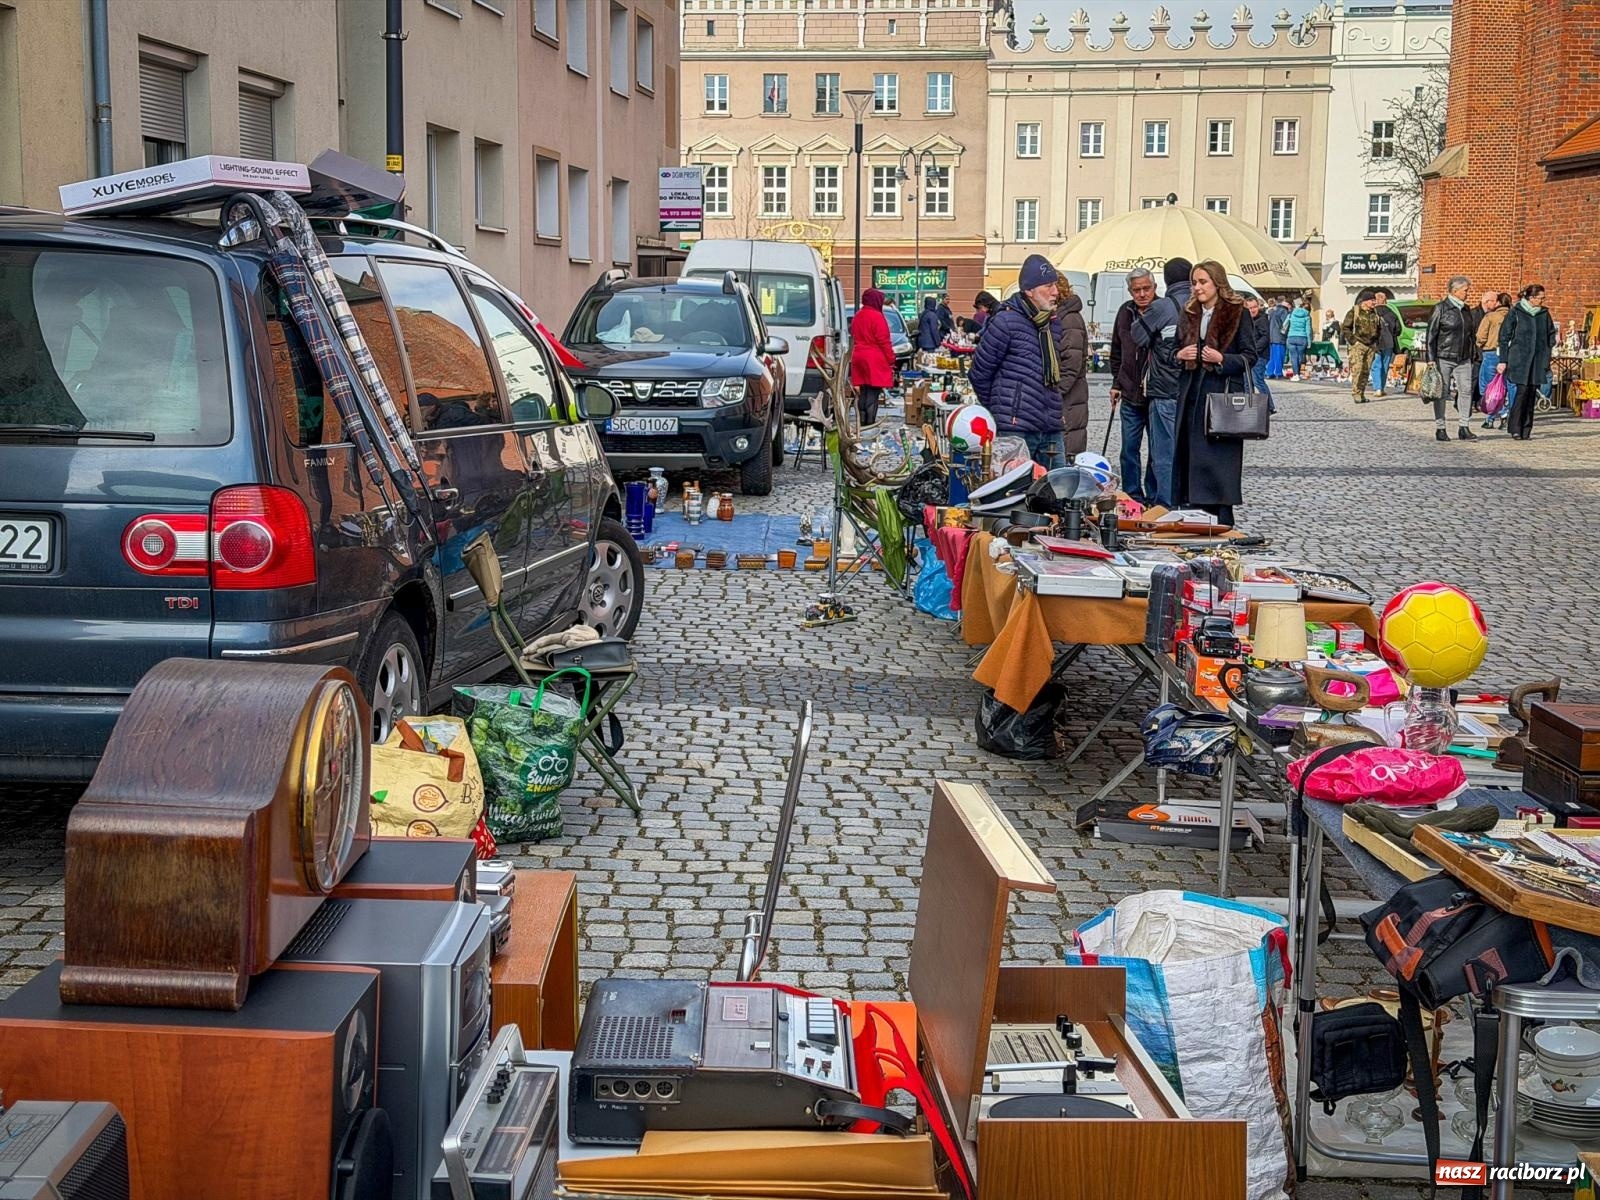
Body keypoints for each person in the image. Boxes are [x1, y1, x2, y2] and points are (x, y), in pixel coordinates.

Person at [1171, 260, 1255, 527]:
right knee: (1190, 457)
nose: (1197, 288)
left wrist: (1222, 359)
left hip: (1221, 397)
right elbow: (1173, 350)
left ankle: (1222, 518)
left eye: (1203, 282)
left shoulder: (1235, 312)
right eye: (1194, 282)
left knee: (1218, 460)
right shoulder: (1189, 312)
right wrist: (1179, 355)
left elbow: (1249, 356)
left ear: (1217, 283)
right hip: (1192, 394)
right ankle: (1194, 515)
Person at [969, 254, 1067, 467]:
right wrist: (1005, 407)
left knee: (1058, 491)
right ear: (1029, 290)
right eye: (1048, 286)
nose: (1055, 292)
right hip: (1015, 427)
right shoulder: (1005, 321)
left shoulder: (1052, 324)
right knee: (1015, 493)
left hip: (1050, 425)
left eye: (1055, 285)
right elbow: (979, 373)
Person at [1130, 257, 1194, 508]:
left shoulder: (1165, 307)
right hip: (1194, 389)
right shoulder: (1199, 302)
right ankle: (1186, 499)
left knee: (1163, 451)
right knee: (1187, 449)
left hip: (1165, 387)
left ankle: (1165, 504)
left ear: (1165, 281)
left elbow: (1137, 335)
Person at [1107, 267, 1161, 504]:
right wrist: (1116, 382)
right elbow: (1117, 349)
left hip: (1156, 393)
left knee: (1156, 451)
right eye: (1136, 290)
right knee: (1129, 449)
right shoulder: (1125, 311)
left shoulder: (1163, 310)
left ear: (1154, 287)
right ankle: (1132, 495)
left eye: (1146, 288)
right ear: (1130, 291)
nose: (1141, 294)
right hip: (1129, 392)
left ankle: (1152, 495)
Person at [1498, 282, 1558, 441]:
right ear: (1531, 298)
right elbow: (1504, 337)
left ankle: (1526, 429)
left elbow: (1551, 333)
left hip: (1538, 359)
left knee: (1532, 393)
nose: (1542, 301)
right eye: (1540, 298)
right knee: (1522, 392)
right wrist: (1503, 360)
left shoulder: (1544, 314)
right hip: (1519, 359)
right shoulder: (1516, 312)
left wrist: (1548, 349)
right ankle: (1515, 427)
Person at [1425, 275, 1479, 442]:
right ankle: (1440, 427)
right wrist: (1430, 358)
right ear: (1455, 291)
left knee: (1466, 391)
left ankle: (1464, 426)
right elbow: (1431, 334)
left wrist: (1473, 352)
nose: (1467, 293)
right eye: (1465, 291)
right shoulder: (1441, 308)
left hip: (1463, 357)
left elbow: (1470, 334)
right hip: (1444, 356)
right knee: (1442, 392)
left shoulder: (1466, 309)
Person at [1053, 273, 1090, 456]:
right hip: (1068, 397)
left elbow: (1071, 365)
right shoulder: (1060, 316)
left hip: (1069, 398)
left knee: (1067, 449)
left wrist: (1053, 393)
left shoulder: (1069, 319)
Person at [848, 288, 895, 425]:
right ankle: (870, 423)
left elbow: (853, 335)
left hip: (858, 355)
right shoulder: (877, 317)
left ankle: (861, 423)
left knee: (863, 391)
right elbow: (884, 341)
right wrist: (891, 359)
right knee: (873, 393)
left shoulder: (858, 316)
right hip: (874, 358)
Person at [1477, 292, 1512, 430]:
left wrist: (1481, 344)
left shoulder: (1491, 316)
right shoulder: (1514, 316)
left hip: (1491, 353)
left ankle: (1500, 415)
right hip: (1510, 354)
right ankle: (1493, 417)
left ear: (1498, 303)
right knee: (1505, 388)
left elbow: (1480, 336)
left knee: (1488, 388)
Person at [1340, 290, 1382, 403]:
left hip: (1370, 345)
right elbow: (1345, 328)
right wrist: (1353, 341)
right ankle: (1356, 393)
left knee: (1366, 370)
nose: (1374, 302)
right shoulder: (1355, 311)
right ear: (1365, 301)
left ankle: (1361, 393)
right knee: (1357, 369)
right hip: (1358, 344)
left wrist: (1376, 342)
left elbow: (1379, 329)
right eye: (1372, 300)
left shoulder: (1375, 313)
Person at [1243, 295, 1274, 407]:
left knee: (1257, 380)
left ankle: (1269, 406)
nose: (1253, 310)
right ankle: (1249, 405)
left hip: (1259, 355)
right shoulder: (1247, 320)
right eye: (1250, 308)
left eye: (1254, 307)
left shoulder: (1262, 319)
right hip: (1249, 355)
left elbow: (1265, 337)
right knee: (1247, 382)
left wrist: (1254, 349)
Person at [1370, 288, 1401, 397]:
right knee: (1385, 365)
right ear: (1385, 300)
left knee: (1376, 365)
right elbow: (1398, 329)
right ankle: (1382, 388)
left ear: (1375, 300)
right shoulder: (1392, 313)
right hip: (1389, 343)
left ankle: (1377, 388)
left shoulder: (1372, 313)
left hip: (1376, 342)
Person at [1286, 298, 1313, 376]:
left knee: (1293, 356)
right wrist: (1309, 342)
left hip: (1291, 336)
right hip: (1302, 337)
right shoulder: (1307, 317)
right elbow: (1308, 330)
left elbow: (1285, 324)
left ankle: (1295, 374)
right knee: (1300, 356)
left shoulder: (1291, 314)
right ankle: (1298, 371)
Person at [1265, 297, 1289, 378]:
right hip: (1279, 337)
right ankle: (1278, 373)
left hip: (1271, 337)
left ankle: (1269, 372)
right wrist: (1285, 334)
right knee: (1279, 356)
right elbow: (1285, 324)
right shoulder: (1284, 311)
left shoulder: (1272, 311)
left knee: (1272, 356)